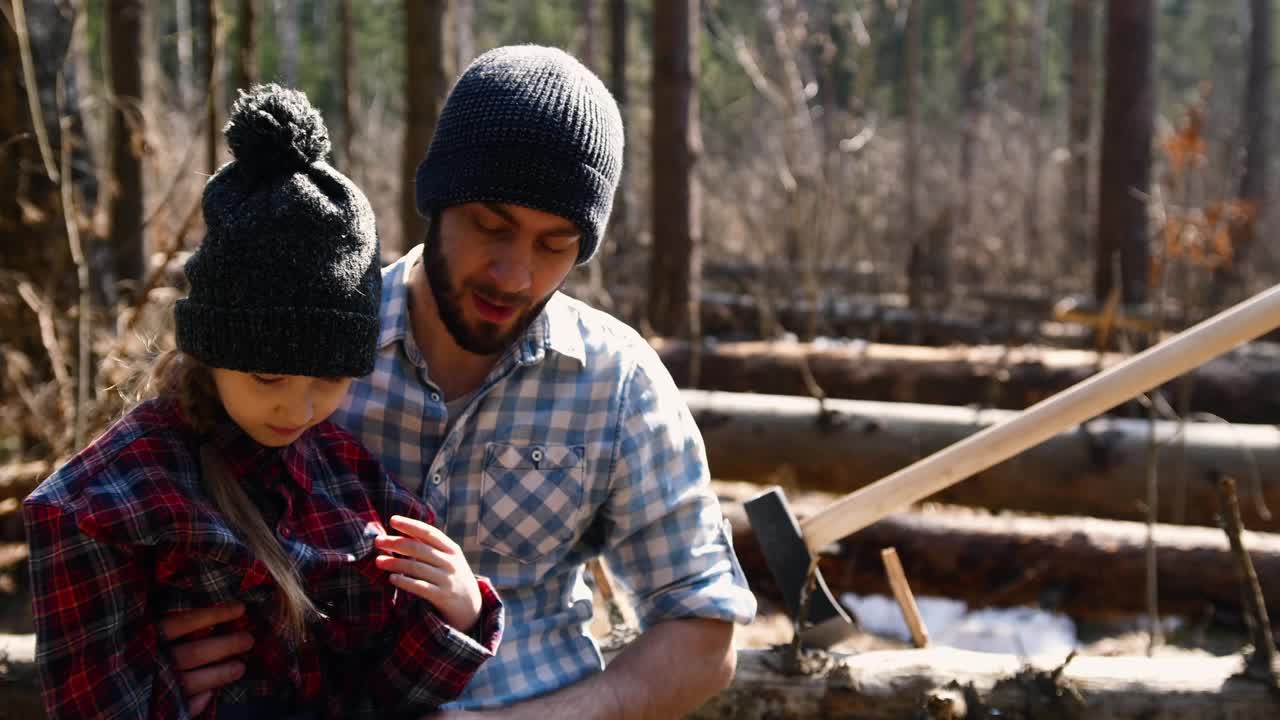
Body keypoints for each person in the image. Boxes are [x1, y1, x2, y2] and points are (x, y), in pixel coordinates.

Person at [167, 45, 758, 718]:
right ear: (437, 199)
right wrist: (159, 645)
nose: (515, 274)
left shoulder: (618, 384)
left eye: (554, 244)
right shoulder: (312, 347)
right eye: (491, 226)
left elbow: (706, 634)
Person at [23, 85, 502, 720]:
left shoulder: (353, 478)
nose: (299, 411)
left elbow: (386, 697)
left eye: (329, 380)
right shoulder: (103, 506)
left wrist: (461, 612)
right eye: (269, 377)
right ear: (210, 349)